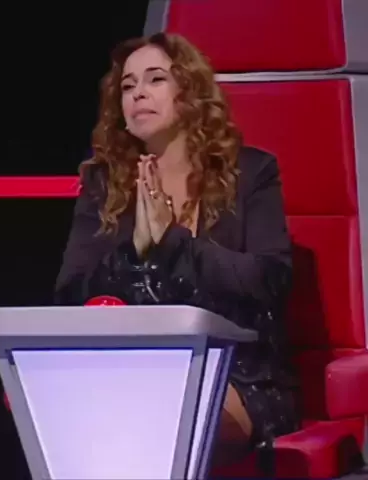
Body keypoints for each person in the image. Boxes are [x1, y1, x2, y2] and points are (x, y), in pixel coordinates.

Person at [54, 32, 300, 469]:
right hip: (130, 372)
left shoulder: (250, 172)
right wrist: (134, 251)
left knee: (154, 423)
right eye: (127, 86)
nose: (138, 94)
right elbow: (71, 295)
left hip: (236, 372)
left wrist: (173, 242)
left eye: (155, 79)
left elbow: (269, 280)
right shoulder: (103, 184)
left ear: (190, 91)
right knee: (70, 414)